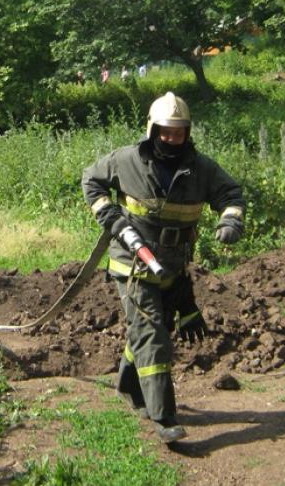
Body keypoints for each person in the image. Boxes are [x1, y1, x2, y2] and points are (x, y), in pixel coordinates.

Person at [81, 92, 245, 444]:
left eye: (179, 132)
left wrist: (230, 221)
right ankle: (164, 417)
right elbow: (90, 180)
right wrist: (110, 217)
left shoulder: (202, 169)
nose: (172, 138)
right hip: (132, 266)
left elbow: (231, 193)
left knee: (148, 331)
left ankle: (128, 384)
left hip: (173, 267)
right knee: (154, 335)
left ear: (187, 132)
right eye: (166, 131)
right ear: (152, 130)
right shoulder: (126, 161)